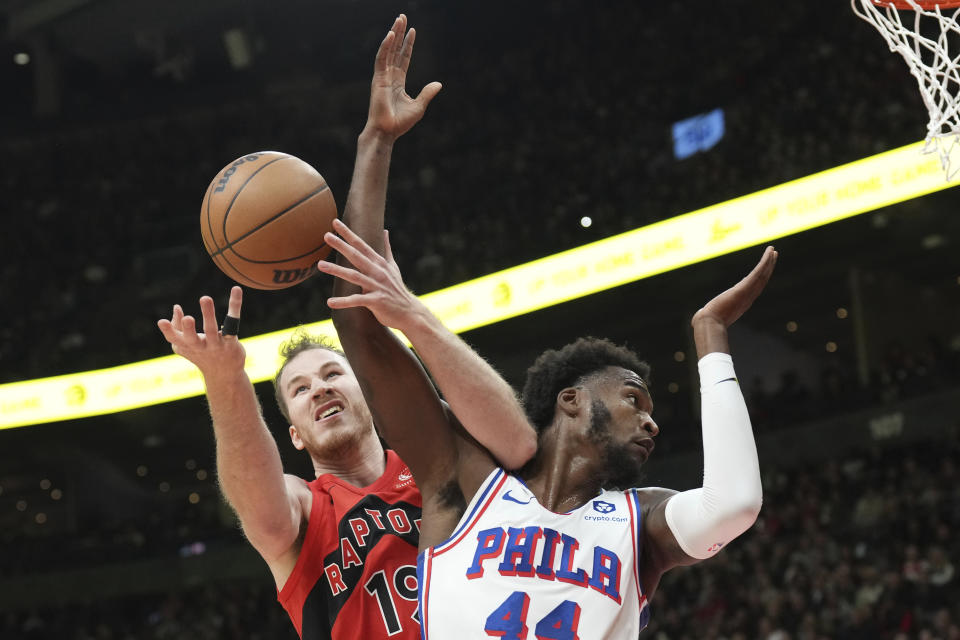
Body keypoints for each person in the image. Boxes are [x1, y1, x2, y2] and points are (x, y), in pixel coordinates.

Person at [158, 15, 535, 640]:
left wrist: (376, 141)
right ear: (296, 438)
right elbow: (257, 502)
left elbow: (355, 301)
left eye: (333, 373)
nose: (321, 389)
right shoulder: (306, 513)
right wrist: (226, 381)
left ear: (367, 393)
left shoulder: (436, 463)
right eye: (300, 391)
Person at [317, 217, 777, 636]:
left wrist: (710, 335)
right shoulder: (472, 483)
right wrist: (376, 140)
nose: (651, 423)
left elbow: (733, 503)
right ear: (572, 400)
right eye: (633, 399)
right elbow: (358, 323)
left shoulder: (639, 522)